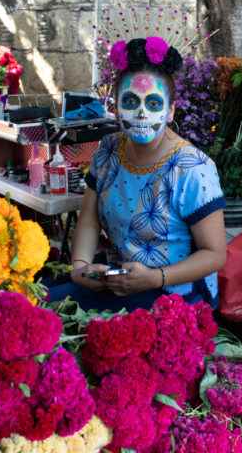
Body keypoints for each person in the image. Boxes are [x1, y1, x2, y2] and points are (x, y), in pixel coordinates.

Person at [47, 37, 227, 312]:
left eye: (154, 104)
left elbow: (214, 255)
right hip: (121, 282)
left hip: (177, 297)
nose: (142, 113)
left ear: (170, 111)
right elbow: (89, 220)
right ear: (116, 108)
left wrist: (155, 278)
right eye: (131, 101)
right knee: (43, 303)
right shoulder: (108, 151)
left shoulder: (192, 169)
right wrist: (80, 268)